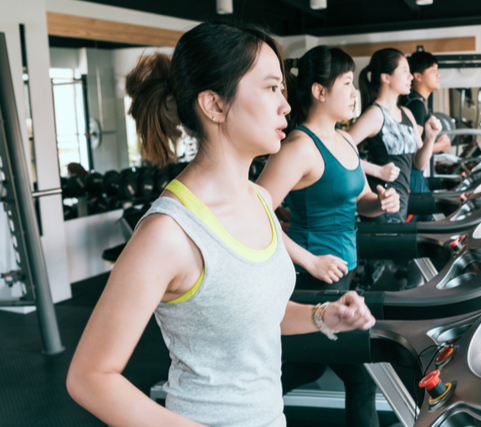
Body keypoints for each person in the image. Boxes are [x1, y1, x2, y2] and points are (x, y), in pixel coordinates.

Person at [66, 23, 375, 427]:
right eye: (270, 89)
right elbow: (90, 378)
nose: (285, 105)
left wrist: (324, 315)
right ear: (214, 104)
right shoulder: (168, 233)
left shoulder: (259, 201)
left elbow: (253, 314)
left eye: (283, 90)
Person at [256, 45, 400, 427]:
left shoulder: (346, 141)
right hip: (308, 280)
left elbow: (361, 202)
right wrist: (308, 259)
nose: (356, 93)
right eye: (348, 84)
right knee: (359, 375)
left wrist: (381, 202)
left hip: (343, 275)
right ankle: (241, 405)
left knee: (307, 368)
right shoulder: (300, 148)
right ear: (320, 91)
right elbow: (253, 214)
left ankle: (244, 402)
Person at [348, 48, 442, 222]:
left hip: (400, 204)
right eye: (405, 71)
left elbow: (419, 164)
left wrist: (430, 137)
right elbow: (338, 151)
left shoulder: (406, 113)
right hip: (381, 203)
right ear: (386, 77)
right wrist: (377, 170)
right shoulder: (375, 114)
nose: (411, 77)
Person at [399, 50, 451, 195]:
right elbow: (412, 148)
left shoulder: (415, 101)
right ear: (417, 76)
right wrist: (439, 146)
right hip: (412, 176)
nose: (438, 74)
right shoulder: (416, 105)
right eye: (433, 70)